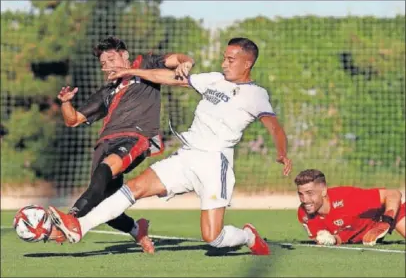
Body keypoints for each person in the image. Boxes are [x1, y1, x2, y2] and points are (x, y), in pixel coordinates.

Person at [49, 37, 292, 256]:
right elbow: (165, 77)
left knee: (213, 237)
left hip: (214, 162)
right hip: (186, 156)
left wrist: (282, 153)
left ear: (247, 63)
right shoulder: (214, 79)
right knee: (135, 188)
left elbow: (275, 128)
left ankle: (247, 235)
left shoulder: (256, 94)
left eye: (230, 59)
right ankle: (79, 226)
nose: (225, 63)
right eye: (223, 58)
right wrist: (133, 71)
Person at [48, 36, 195, 254]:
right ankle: (138, 230)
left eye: (110, 58)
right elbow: (73, 120)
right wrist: (66, 102)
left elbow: (180, 60)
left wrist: (186, 63)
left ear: (124, 55)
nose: (106, 64)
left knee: (103, 173)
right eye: (103, 63)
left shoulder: (145, 64)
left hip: (135, 137)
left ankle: (72, 219)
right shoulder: (107, 90)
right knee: (103, 203)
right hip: (104, 143)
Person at [295, 169, 405, 246]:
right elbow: (331, 239)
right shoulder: (303, 213)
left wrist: (385, 221)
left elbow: (394, 194)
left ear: (324, 191)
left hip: (385, 215)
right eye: (300, 194)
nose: (304, 200)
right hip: (365, 232)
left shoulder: (347, 197)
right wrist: (332, 240)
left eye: (310, 193)